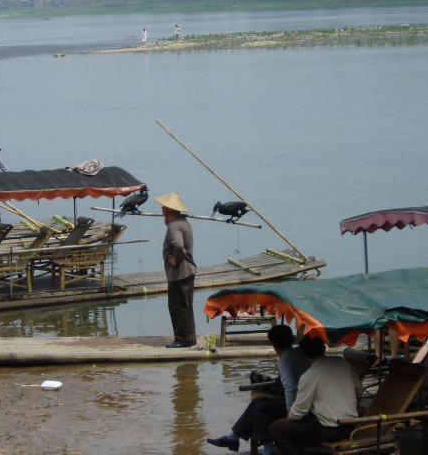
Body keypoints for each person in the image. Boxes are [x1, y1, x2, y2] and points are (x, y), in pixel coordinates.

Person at [207, 324, 311, 455]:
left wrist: (289, 413)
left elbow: (290, 388)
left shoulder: (285, 359)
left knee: (262, 409)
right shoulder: (297, 353)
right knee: (258, 401)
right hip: (303, 401)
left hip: (299, 405)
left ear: (273, 344)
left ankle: (266, 449)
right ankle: (233, 437)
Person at [269, 335, 363, 455]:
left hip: (330, 430)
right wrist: (355, 406)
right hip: (351, 425)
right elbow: (359, 389)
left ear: (303, 354)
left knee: (276, 429)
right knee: (303, 422)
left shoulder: (309, 376)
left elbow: (298, 412)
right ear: (323, 348)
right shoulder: (342, 363)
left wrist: (287, 418)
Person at [154, 192, 197, 348]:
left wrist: (177, 258)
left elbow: (178, 245)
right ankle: (190, 337)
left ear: (170, 209)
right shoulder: (183, 221)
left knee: (177, 307)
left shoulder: (174, 226)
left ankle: (182, 339)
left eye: (164, 207)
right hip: (188, 271)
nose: (161, 208)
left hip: (180, 272)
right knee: (186, 306)